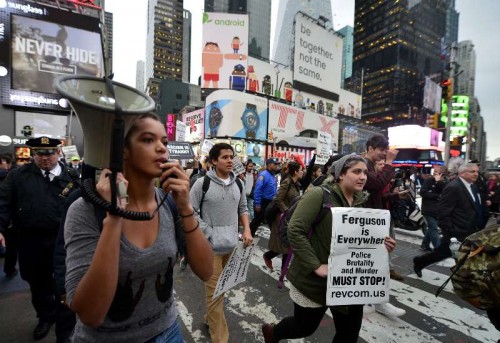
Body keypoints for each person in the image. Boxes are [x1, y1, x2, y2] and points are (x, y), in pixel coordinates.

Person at [64, 113, 213, 342]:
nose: (162, 148)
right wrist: (114, 218)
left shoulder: (169, 202)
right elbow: (90, 315)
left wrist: (185, 207)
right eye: (147, 140)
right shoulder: (85, 210)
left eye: (164, 141)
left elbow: (205, 270)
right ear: (122, 150)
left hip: (168, 332)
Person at [261, 155, 397, 343]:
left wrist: (381, 246)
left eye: (365, 172)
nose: (363, 177)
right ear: (341, 174)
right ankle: (274, 333)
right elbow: (295, 230)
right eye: (356, 171)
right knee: (304, 327)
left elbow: (360, 239)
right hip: (315, 282)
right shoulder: (319, 194)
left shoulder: (361, 201)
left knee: (348, 335)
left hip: (349, 282)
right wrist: (316, 266)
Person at [0, 137, 80, 340]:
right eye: (39, 153)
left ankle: (66, 320)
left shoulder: (72, 177)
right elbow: (3, 203)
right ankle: (45, 316)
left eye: (50, 152)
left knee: (65, 282)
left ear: (59, 153)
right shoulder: (18, 176)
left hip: (63, 241)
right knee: (36, 281)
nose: (45, 157)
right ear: (33, 154)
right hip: (30, 240)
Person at [190, 142, 253, 343]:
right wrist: (210, 233)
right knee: (215, 295)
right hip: (211, 249)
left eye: (231, 157)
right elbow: (191, 212)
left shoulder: (239, 183)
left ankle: (210, 319)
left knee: (222, 290)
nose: (229, 160)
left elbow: (243, 208)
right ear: (214, 161)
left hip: (233, 248)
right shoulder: (202, 184)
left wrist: (247, 230)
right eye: (224, 157)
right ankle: (221, 339)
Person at [413, 162, 486, 277]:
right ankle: (465, 281)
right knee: (458, 256)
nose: (476, 174)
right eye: (472, 171)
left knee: (443, 252)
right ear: (462, 173)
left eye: (477, 171)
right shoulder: (454, 187)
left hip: (470, 229)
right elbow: (443, 211)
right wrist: (450, 231)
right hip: (457, 231)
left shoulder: (473, 186)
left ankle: (420, 261)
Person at [362, 134, 406, 317]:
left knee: (378, 262)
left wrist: (395, 196)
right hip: (363, 221)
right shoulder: (361, 163)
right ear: (370, 148)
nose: (383, 154)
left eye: (385, 151)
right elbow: (377, 184)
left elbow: (377, 193)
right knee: (366, 262)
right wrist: (389, 163)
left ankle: (379, 300)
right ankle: (364, 298)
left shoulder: (370, 165)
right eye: (381, 150)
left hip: (374, 220)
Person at [263, 162, 303, 288]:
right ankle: (279, 269)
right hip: (281, 218)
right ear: (296, 172)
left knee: (286, 245)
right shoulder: (287, 182)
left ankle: (282, 272)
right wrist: (286, 210)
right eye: (301, 170)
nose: (303, 172)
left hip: (290, 218)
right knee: (285, 245)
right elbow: (278, 199)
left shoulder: (297, 184)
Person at [419, 166, 448, 251]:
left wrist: (438, 182)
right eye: (434, 171)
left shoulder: (445, 182)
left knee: (432, 229)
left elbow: (446, 192)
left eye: (437, 172)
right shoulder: (428, 181)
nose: (434, 173)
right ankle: (439, 249)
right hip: (428, 210)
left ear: (442, 174)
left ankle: (425, 244)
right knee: (434, 228)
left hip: (439, 210)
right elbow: (423, 192)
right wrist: (437, 196)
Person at [250, 158, 280, 236]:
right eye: (275, 164)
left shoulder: (273, 175)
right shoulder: (263, 175)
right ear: (269, 165)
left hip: (270, 202)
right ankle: (248, 235)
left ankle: (275, 239)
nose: (276, 166)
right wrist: (257, 204)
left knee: (271, 221)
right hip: (262, 202)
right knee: (257, 220)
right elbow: (258, 190)